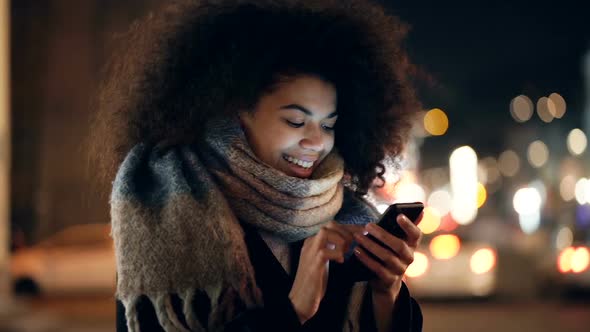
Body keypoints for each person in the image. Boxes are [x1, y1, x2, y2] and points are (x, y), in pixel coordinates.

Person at [91, 0, 424, 331]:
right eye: (296, 121)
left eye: (328, 124)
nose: (317, 142)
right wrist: (292, 311)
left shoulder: (346, 219)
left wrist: (387, 291)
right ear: (236, 114)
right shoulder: (169, 215)